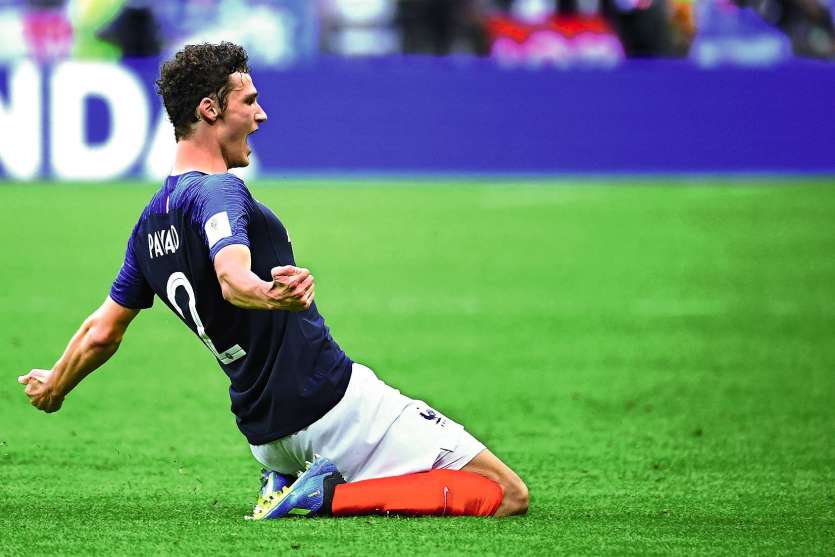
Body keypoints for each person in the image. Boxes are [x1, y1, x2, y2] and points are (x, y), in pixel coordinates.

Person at [17, 42, 528, 519]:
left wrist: (55, 386)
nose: (260, 116)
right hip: (330, 404)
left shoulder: (149, 225)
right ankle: (328, 495)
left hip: (264, 432)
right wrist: (270, 294)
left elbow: (101, 332)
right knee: (504, 494)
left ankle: (281, 475)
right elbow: (232, 276)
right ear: (210, 111)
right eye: (250, 102)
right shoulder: (218, 191)